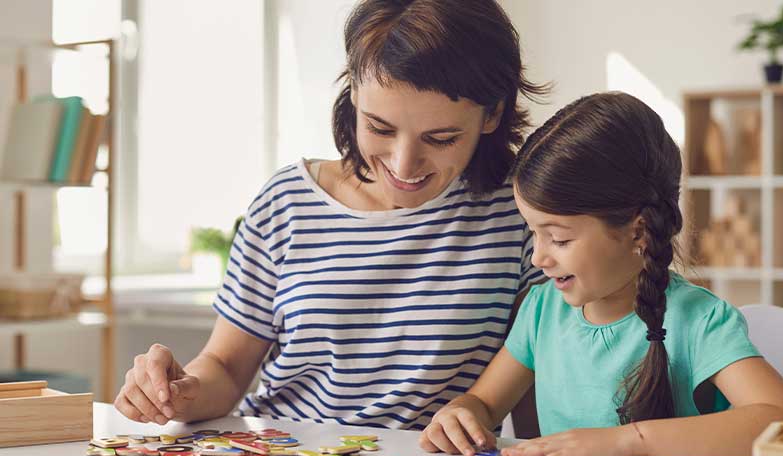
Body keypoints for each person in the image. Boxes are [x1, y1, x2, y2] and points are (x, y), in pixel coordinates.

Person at [114, 0, 548, 429]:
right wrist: (177, 392)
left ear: (492, 113)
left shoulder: (523, 213)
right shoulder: (287, 202)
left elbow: (538, 371)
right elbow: (225, 369)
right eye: (380, 128)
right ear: (354, 93)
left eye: (440, 138)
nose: (403, 164)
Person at [419, 92, 783, 456]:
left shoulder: (698, 320)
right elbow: (485, 404)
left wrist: (630, 441)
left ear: (637, 232)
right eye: (533, 233)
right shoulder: (542, 310)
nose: (539, 257)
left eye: (559, 238)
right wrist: (461, 412)